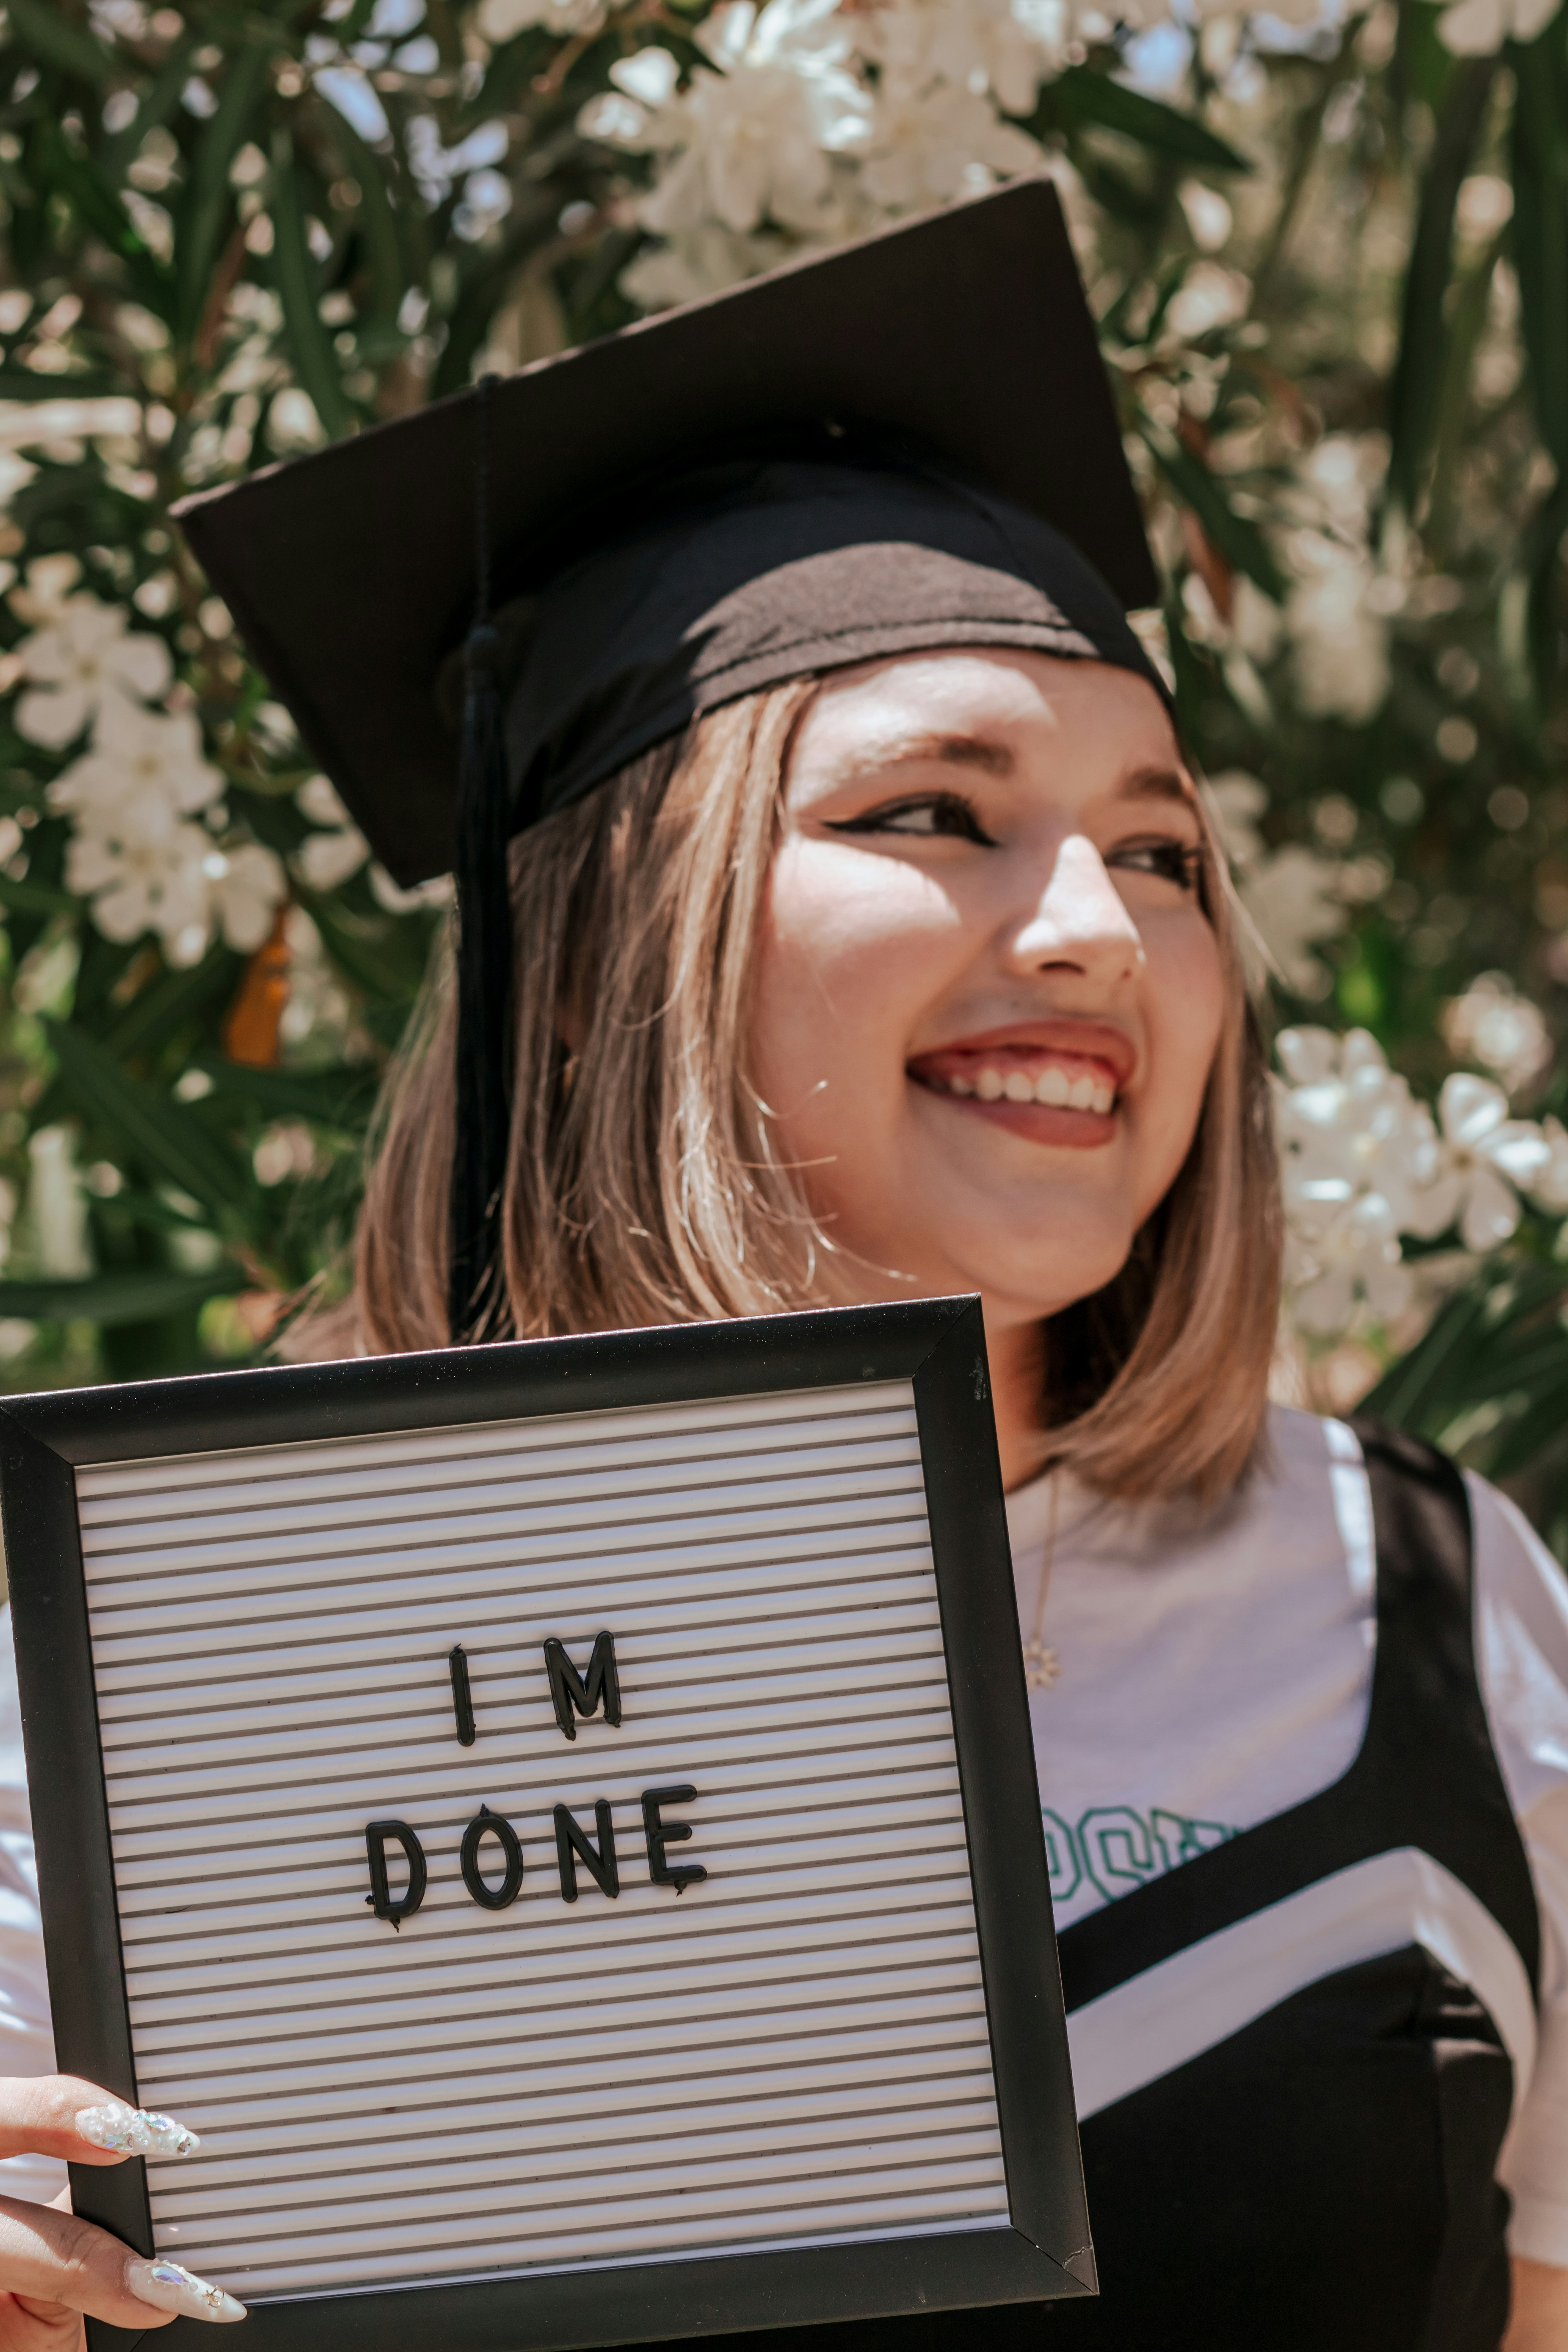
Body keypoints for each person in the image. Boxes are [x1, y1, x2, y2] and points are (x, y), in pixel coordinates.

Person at [0, 176, 1564, 2349]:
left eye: (1163, 848)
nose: (1103, 928)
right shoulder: (199, 1676)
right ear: (579, 965)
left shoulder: (1421, 1600)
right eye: (937, 811)